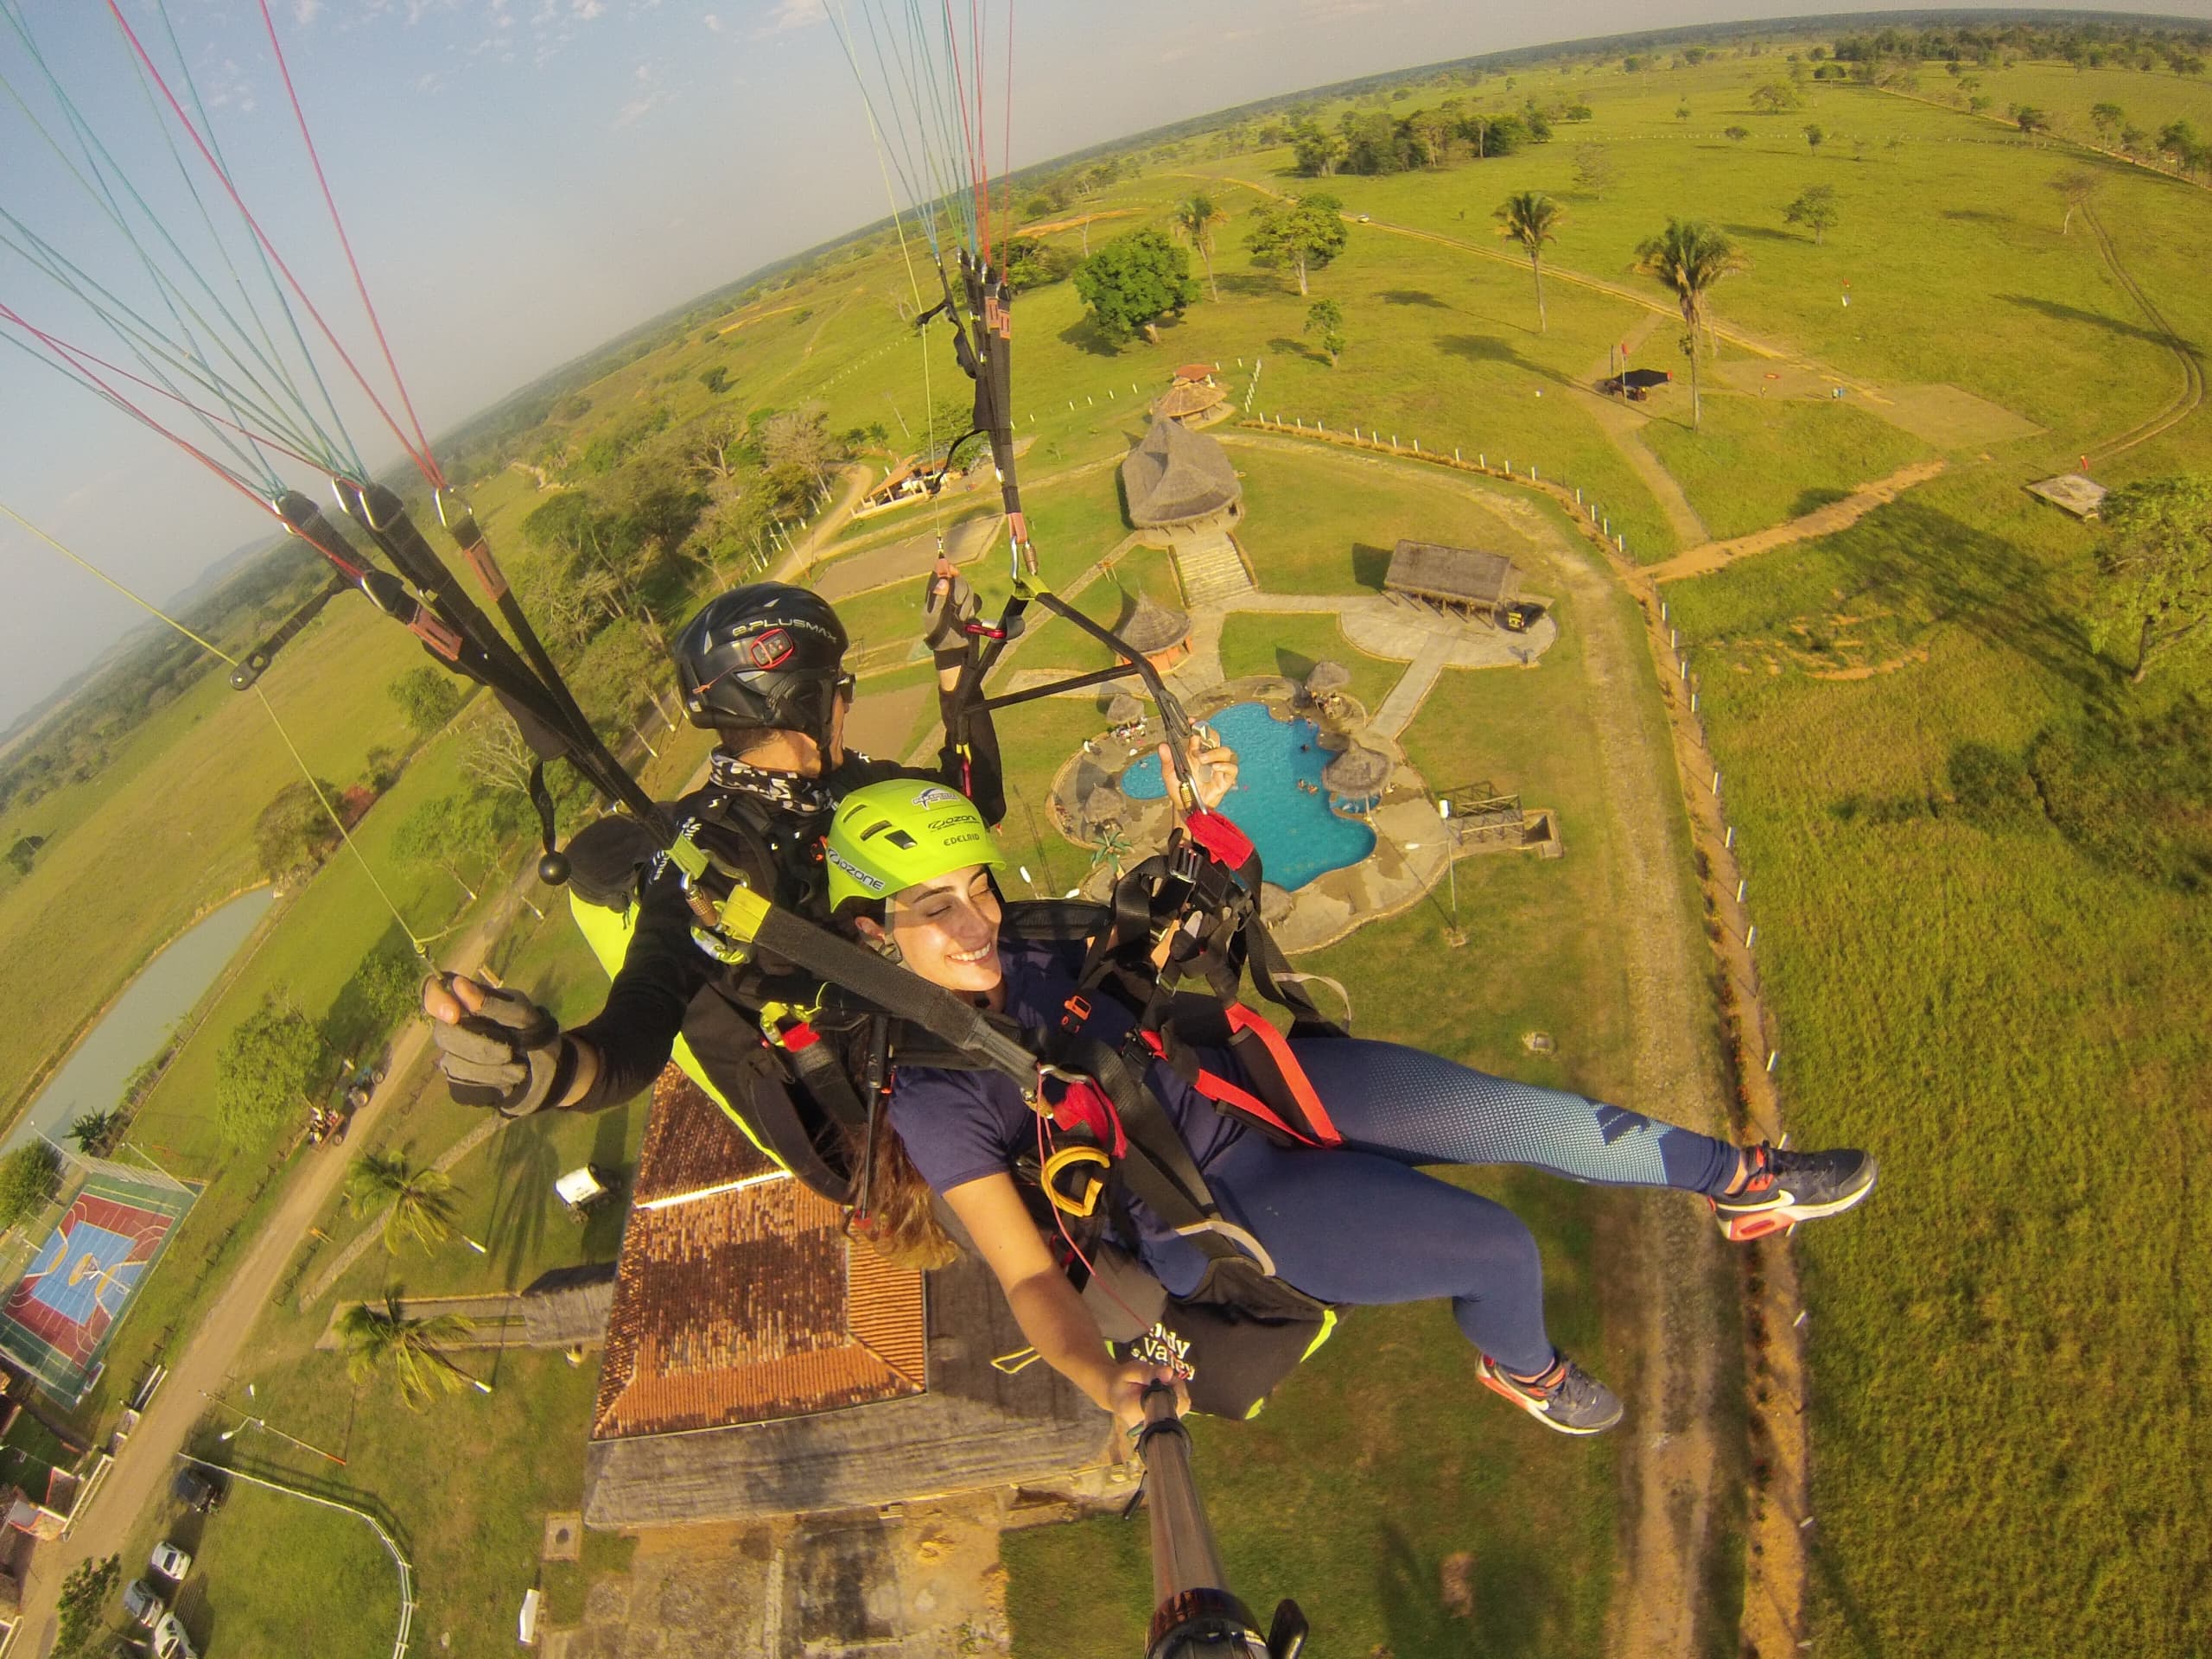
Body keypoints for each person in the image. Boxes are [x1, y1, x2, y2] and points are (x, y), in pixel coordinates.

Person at [821, 777, 1878, 1438]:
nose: (974, 925)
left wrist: (1192, 859)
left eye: (978, 889)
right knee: (1500, 1251)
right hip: (1211, 1198)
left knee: (1522, 1115)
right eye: (930, 908)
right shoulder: (935, 1093)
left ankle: (1740, 1180)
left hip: (1250, 1087)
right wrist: (1102, 1378)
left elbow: (1139, 952)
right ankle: (1529, 1371)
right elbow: (1025, 1277)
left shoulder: (1038, 942)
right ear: (869, 931)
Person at [421, 569, 1005, 1192]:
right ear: (805, 701)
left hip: (955, 1037)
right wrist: (553, 1070)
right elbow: (641, 1018)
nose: (849, 700)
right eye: (841, 686)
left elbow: (974, 806)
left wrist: (953, 658)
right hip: (887, 1123)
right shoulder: (708, 857)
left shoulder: (855, 785)